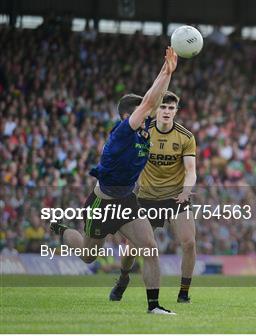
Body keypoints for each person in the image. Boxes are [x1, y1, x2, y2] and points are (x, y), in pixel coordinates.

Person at [50, 47, 178, 315]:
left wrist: (167, 73)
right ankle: (62, 229)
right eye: (146, 114)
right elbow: (147, 104)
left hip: (127, 200)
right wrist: (165, 71)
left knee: (150, 248)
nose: (151, 117)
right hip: (102, 202)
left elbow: (150, 103)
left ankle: (153, 306)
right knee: (88, 255)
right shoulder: (122, 132)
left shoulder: (143, 134)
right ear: (127, 116)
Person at [109, 91, 197, 304]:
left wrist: (186, 190)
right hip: (146, 196)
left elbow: (191, 169)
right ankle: (123, 278)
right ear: (156, 109)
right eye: (163, 107)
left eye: (171, 108)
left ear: (176, 111)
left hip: (175, 197)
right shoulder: (142, 131)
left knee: (189, 243)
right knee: (132, 247)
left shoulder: (185, 136)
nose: (166, 111)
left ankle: (184, 292)